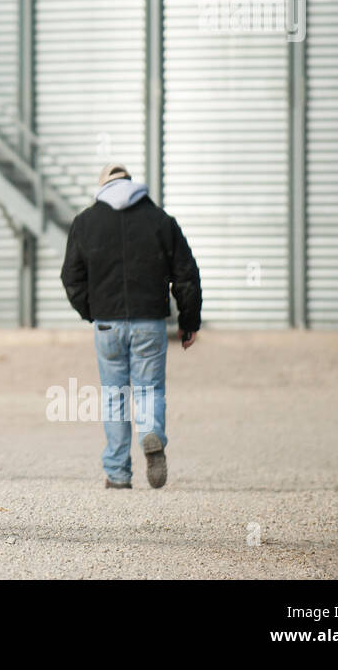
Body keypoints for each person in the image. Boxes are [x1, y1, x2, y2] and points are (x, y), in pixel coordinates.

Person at [60, 164, 201, 490]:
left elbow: (71, 276)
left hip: (108, 324)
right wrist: (188, 321)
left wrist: (92, 312)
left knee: (114, 395)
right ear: (132, 185)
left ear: (102, 188)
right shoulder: (161, 221)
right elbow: (186, 274)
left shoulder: (85, 222)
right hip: (149, 321)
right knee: (150, 389)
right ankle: (151, 433)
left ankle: (119, 473)